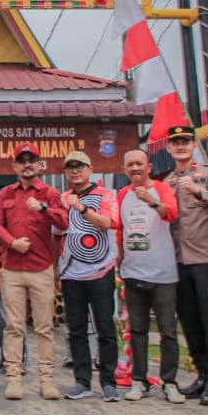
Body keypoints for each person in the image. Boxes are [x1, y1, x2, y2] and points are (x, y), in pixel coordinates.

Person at [0, 142, 70, 400]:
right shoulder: (5, 194)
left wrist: (45, 209)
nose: (27, 165)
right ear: (14, 165)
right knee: (13, 326)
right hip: (12, 270)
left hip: (41, 269)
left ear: (39, 165)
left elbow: (64, 221)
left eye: (31, 160)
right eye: (22, 160)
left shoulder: (49, 193)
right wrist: (12, 243)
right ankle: (13, 377)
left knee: (44, 327)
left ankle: (46, 379)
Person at [166, 125, 208, 406]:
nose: (180, 146)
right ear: (168, 148)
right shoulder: (167, 182)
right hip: (179, 260)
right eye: (175, 142)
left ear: (193, 145)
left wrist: (197, 190)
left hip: (207, 258)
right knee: (190, 320)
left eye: (185, 141)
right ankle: (202, 372)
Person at [114, 149, 183, 403]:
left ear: (149, 167)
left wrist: (152, 201)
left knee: (167, 330)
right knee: (138, 329)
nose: (135, 168)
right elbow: (121, 230)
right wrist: (119, 261)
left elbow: (172, 214)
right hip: (133, 272)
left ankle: (170, 381)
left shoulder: (162, 189)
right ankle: (139, 380)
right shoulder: (122, 194)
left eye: (139, 164)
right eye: (130, 165)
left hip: (163, 273)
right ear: (124, 170)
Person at [58, 151, 120, 401]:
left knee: (104, 327)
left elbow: (107, 223)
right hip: (71, 273)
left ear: (90, 168)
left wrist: (82, 208)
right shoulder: (63, 198)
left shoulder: (105, 195)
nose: (75, 171)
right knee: (76, 329)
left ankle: (108, 381)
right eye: (70, 167)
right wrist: (55, 267)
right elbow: (57, 232)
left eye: (79, 166)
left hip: (100, 270)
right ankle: (82, 381)